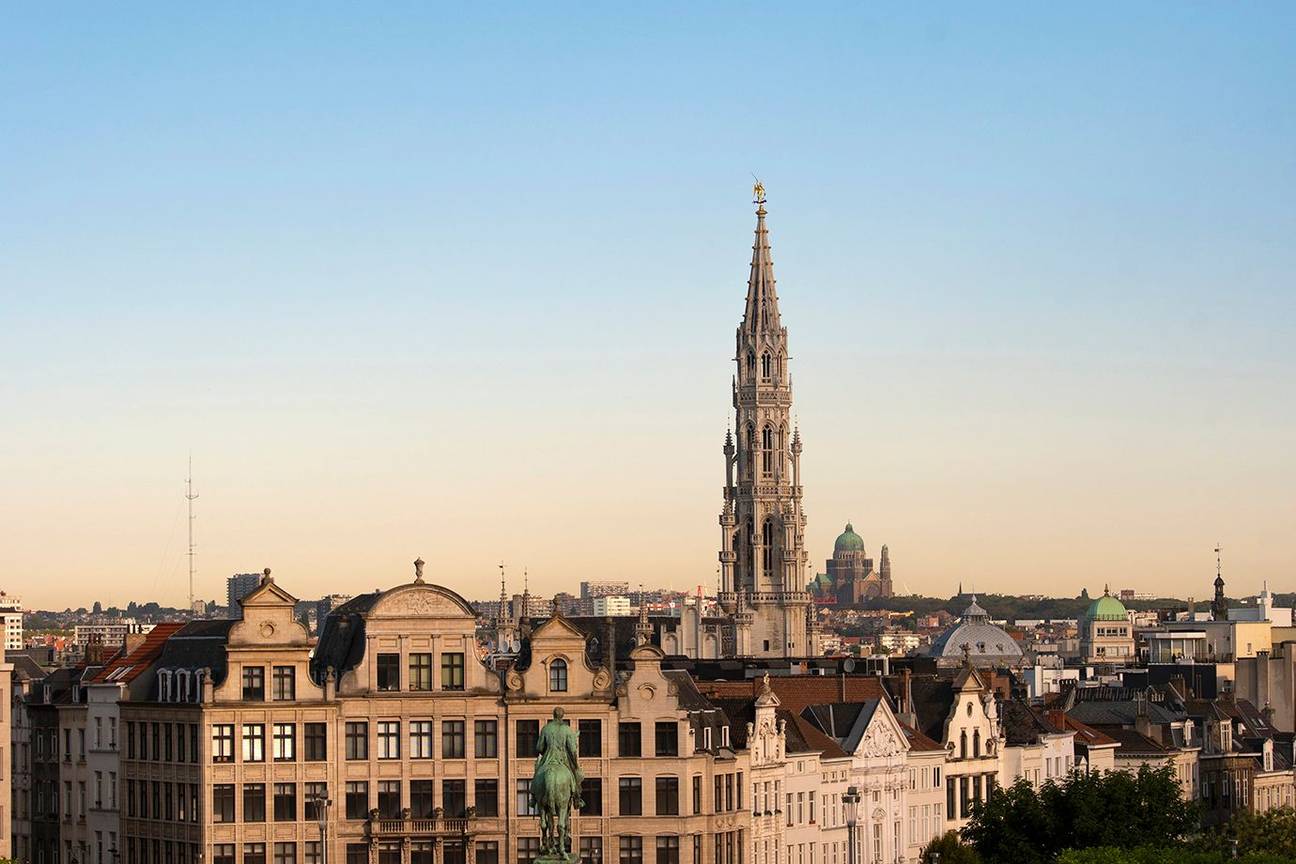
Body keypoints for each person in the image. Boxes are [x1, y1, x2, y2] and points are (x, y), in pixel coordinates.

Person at [536, 706, 584, 811]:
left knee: (537, 773)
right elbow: (572, 750)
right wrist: (575, 764)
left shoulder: (546, 729)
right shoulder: (567, 730)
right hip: (564, 760)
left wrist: (546, 749)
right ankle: (577, 799)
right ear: (563, 716)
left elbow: (539, 747)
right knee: (577, 776)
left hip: (547, 759)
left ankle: (533, 798)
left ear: (553, 715)